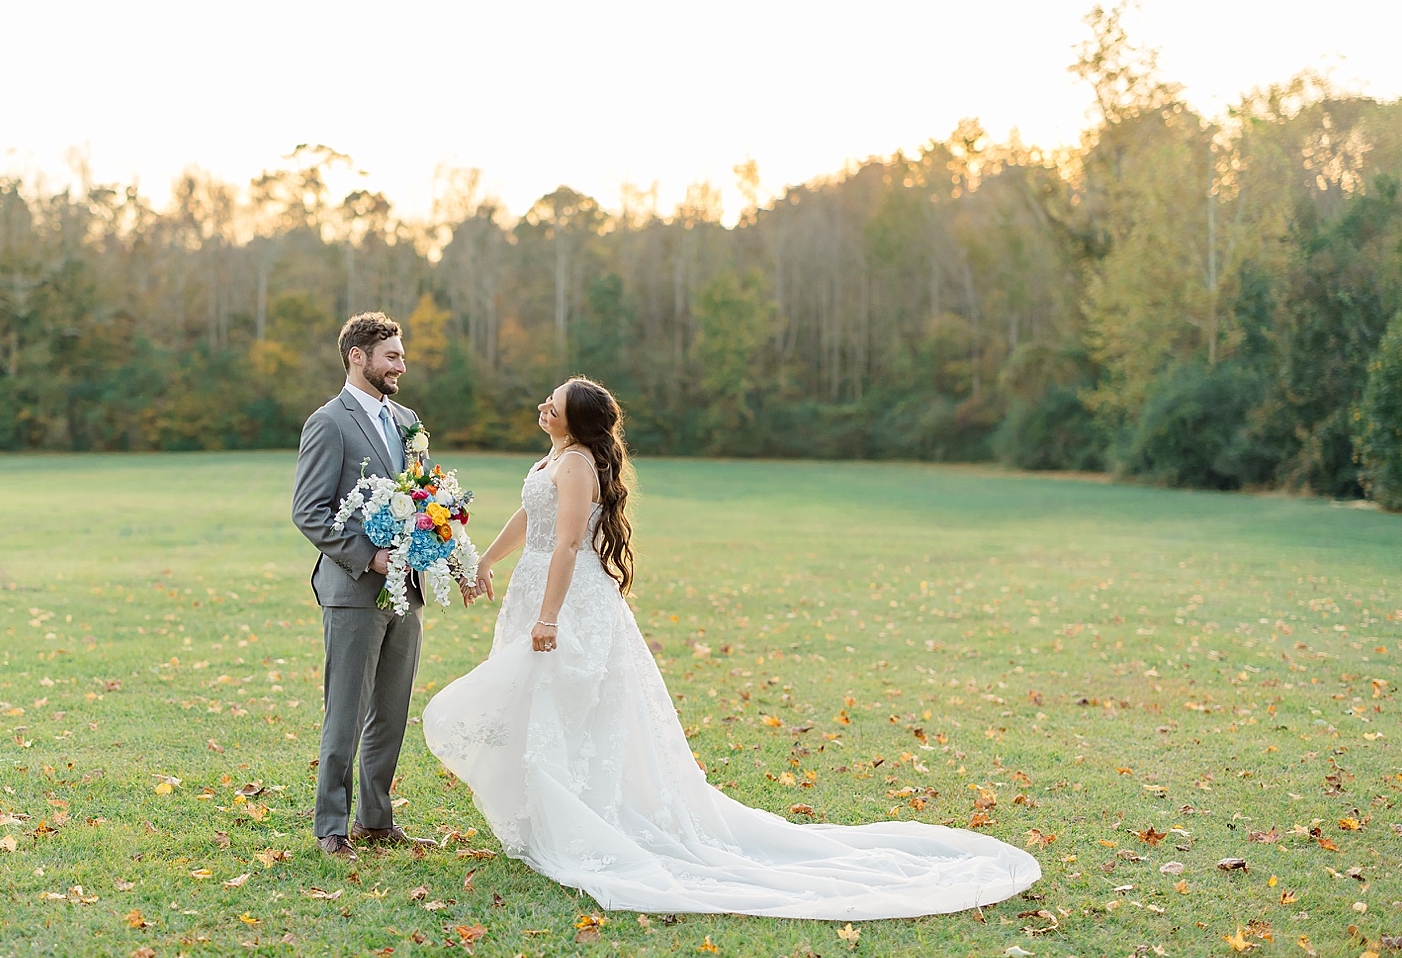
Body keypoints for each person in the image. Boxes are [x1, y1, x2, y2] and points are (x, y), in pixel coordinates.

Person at [425, 376, 1041, 919]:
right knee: (540, 706)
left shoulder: (579, 464)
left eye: (553, 403)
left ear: (575, 420)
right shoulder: (554, 457)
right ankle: (545, 815)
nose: (542, 405)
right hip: (537, 586)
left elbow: (565, 544)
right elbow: (528, 519)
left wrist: (549, 617)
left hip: (569, 599)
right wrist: (487, 561)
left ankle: (581, 817)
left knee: (565, 707)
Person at [291, 312, 459, 860]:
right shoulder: (328, 423)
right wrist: (370, 558)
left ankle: (376, 822)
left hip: (408, 588)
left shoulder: (408, 421)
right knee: (346, 713)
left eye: (402, 356)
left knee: (390, 712)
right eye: (392, 356)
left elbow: (425, 496)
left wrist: (444, 549)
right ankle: (331, 827)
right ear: (357, 357)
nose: (401, 366)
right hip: (353, 589)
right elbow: (309, 511)